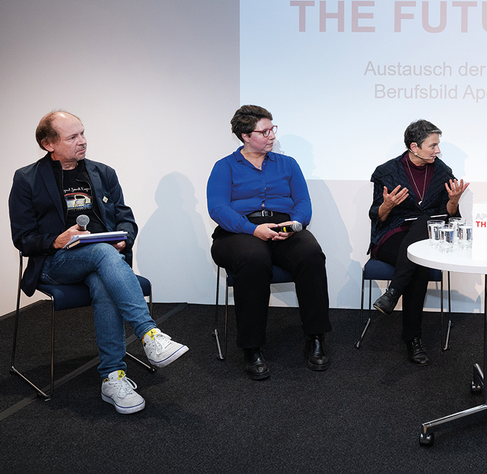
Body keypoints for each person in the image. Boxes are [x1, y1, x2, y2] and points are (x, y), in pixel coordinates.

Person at [9, 110, 189, 414]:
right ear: (48, 144)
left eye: (82, 133)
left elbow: (125, 218)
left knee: (103, 273)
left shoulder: (103, 172)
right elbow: (23, 238)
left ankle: (113, 378)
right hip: (56, 263)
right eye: (72, 137)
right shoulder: (27, 179)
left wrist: (124, 238)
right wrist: (56, 240)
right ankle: (149, 334)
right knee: (105, 254)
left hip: (99, 261)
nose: (83, 142)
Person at [207, 105, 332, 380]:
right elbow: (217, 208)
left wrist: (293, 225)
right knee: (253, 259)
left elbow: (303, 203)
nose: (271, 135)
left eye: (272, 129)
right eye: (264, 131)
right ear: (245, 136)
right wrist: (252, 229)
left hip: (283, 226)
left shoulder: (288, 164)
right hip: (237, 231)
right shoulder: (224, 166)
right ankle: (252, 347)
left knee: (311, 254)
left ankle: (315, 338)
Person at [368, 120, 469, 365]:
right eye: (432, 145)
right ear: (414, 146)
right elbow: (376, 216)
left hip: (426, 234)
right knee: (419, 261)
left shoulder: (443, 171)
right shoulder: (387, 172)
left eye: (438, 145)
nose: (437, 151)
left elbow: (451, 215)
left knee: (422, 238)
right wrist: (388, 205)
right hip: (392, 234)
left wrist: (454, 201)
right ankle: (413, 339)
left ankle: (393, 294)